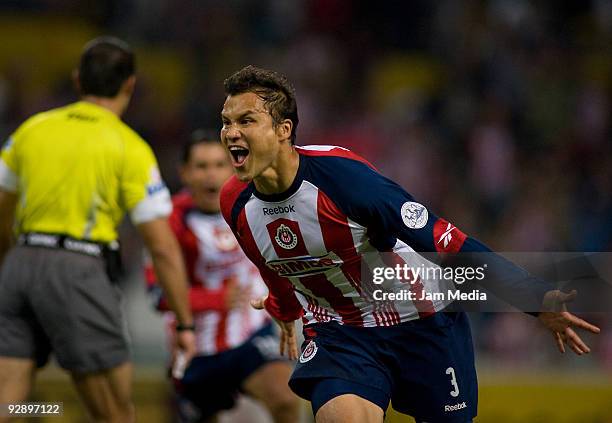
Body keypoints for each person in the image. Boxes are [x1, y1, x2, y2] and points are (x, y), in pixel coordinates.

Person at [218, 65, 601, 423]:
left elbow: (451, 245)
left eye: (246, 121)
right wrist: (284, 308)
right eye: (227, 122)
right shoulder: (234, 203)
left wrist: (535, 299)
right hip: (343, 333)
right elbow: (273, 262)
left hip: (424, 321)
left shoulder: (348, 182)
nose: (232, 133)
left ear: (284, 129)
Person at [0, 37, 196, 423]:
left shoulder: (32, 129)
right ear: (130, 86)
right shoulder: (129, 147)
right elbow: (161, 246)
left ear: (77, 80)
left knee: (8, 403)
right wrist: (185, 323)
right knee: (115, 414)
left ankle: (45, 412)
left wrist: (13, 260)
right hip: (79, 270)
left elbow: (1, 208)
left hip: (19, 265)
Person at [144, 130, 301, 423]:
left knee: (285, 399)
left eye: (219, 164)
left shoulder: (255, 201)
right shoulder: (170, 220)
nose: (211, 176)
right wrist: (215, 299)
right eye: (201, 167)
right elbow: (158, 294)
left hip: (250, 335)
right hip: (197, 347)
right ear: (185, 173)